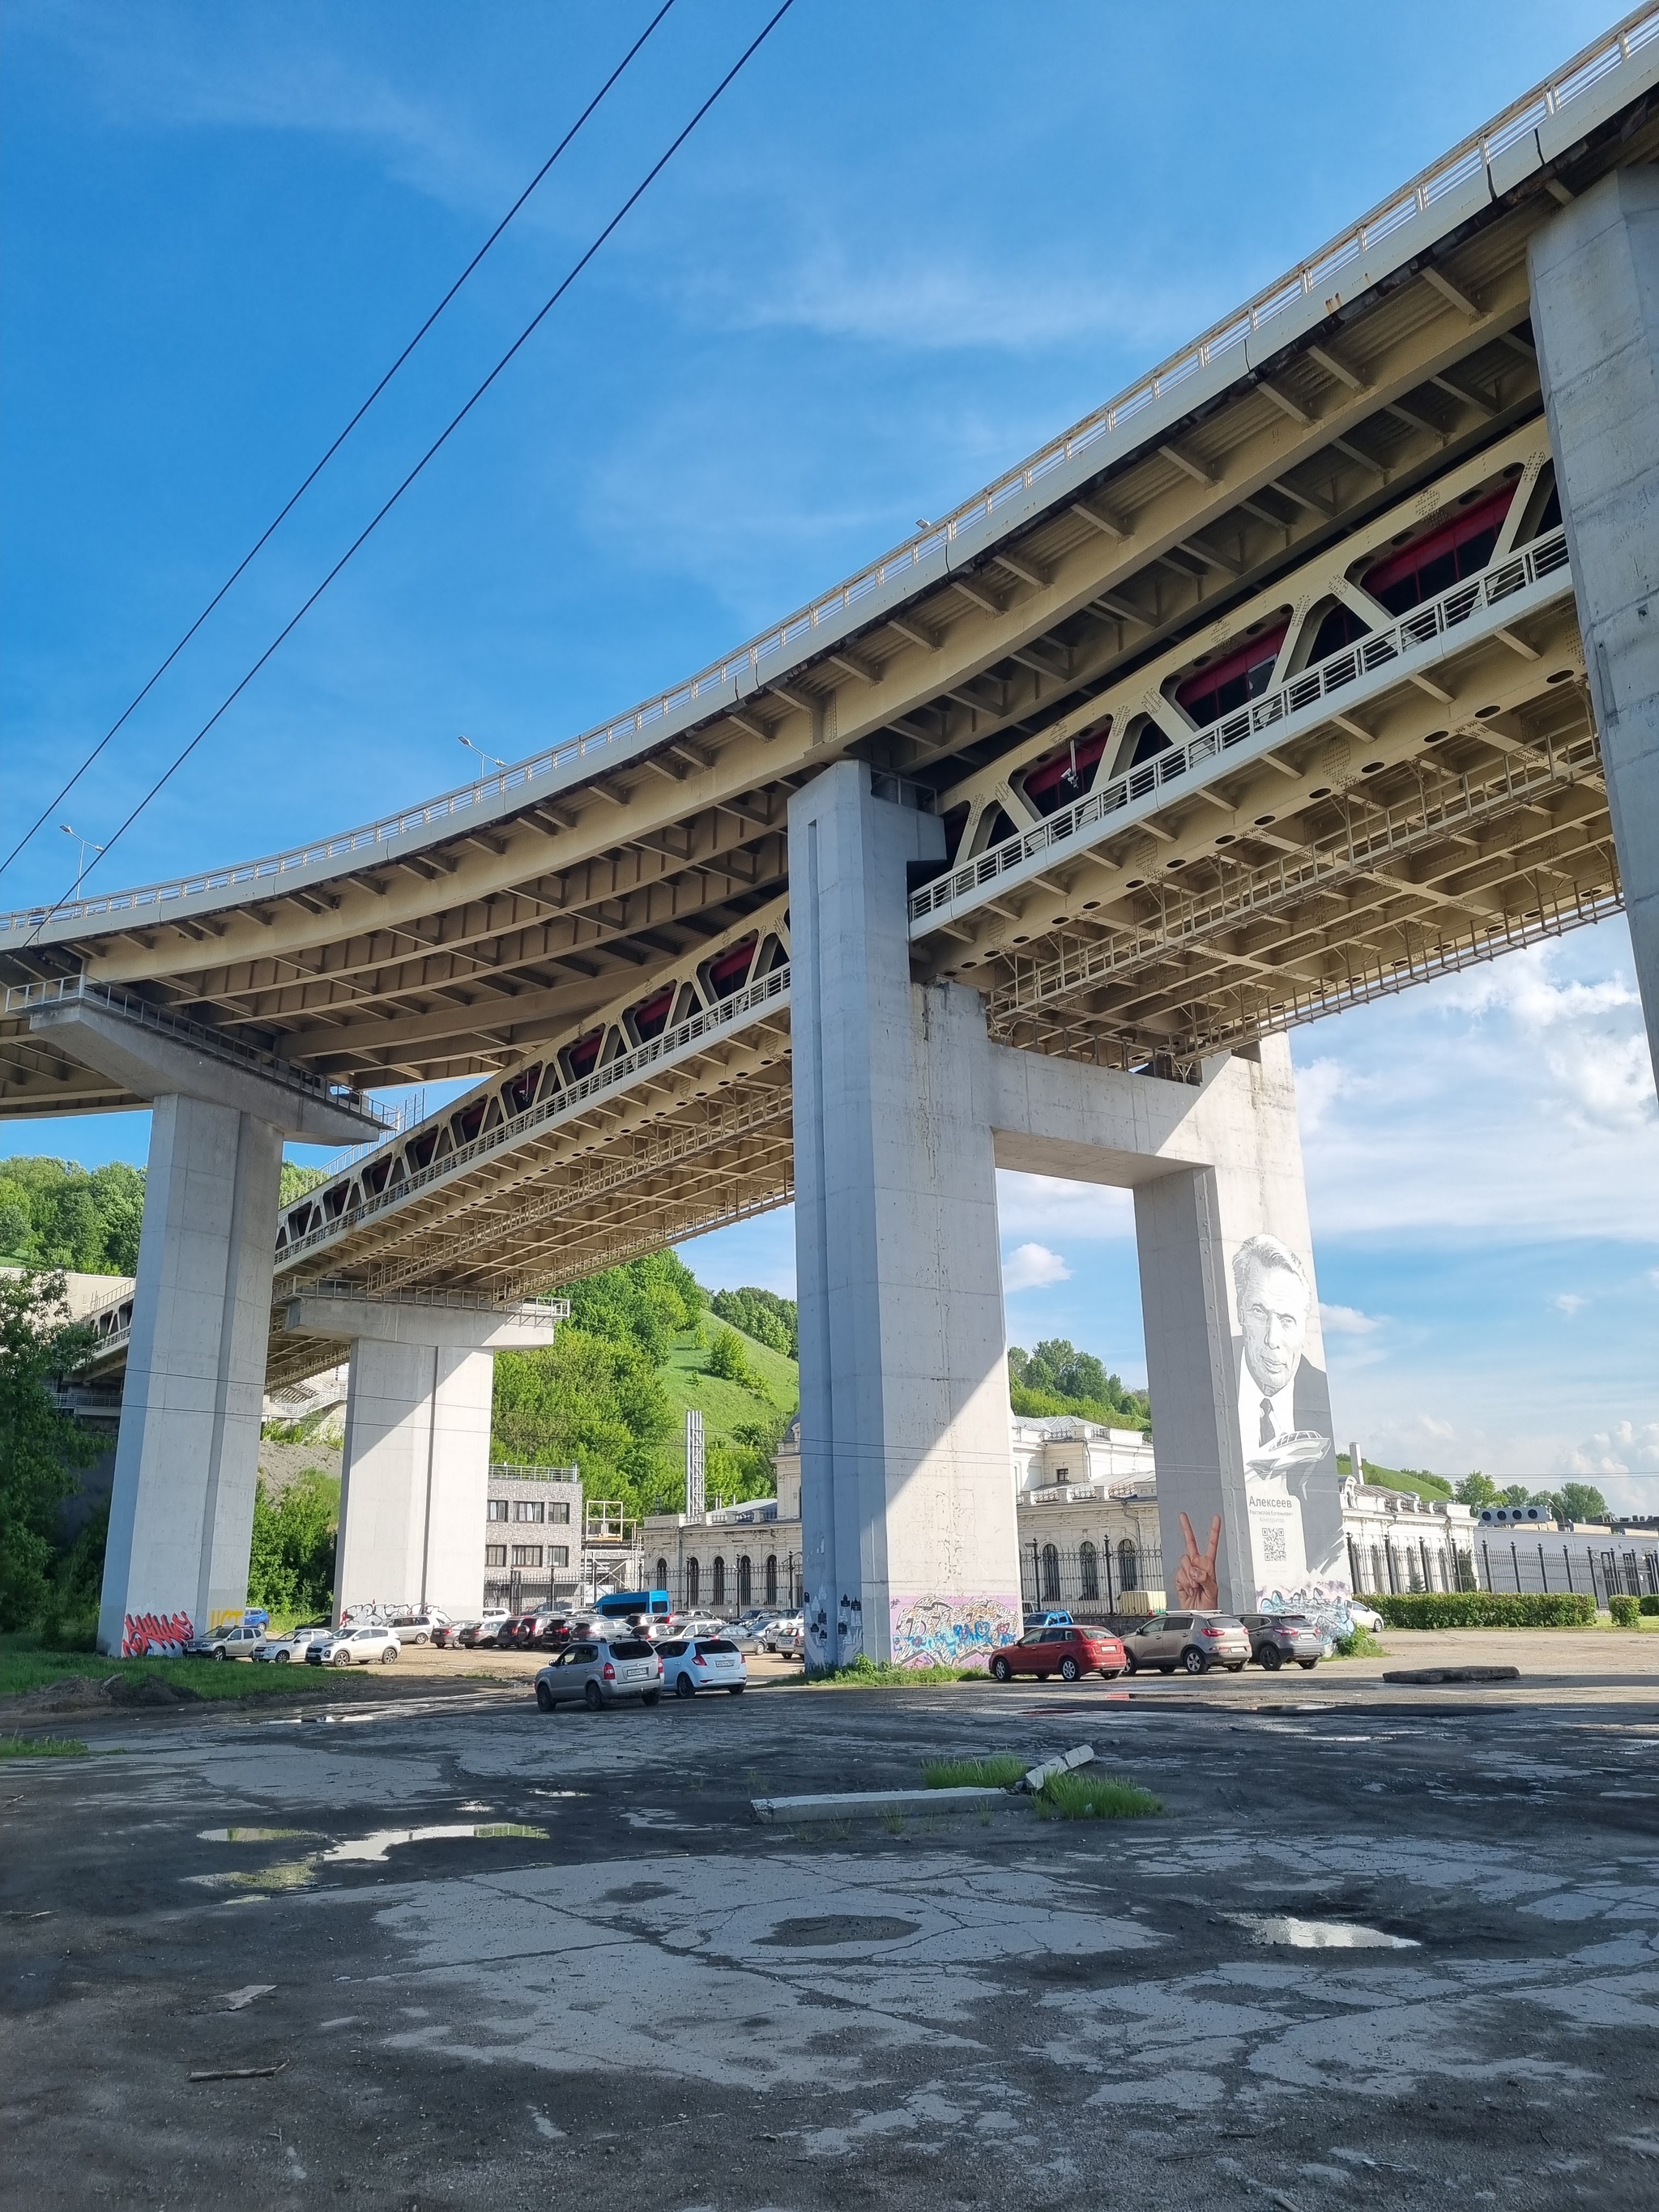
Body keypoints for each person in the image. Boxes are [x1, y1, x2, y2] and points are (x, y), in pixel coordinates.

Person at [1232, 1232, 1332, 1502]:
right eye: (1259, 1312)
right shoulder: (1203, 1380)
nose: (1271, 1339)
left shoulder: (1319, 1393)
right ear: (1240, 1310)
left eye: (1287, 1320)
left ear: (1304, 1328)